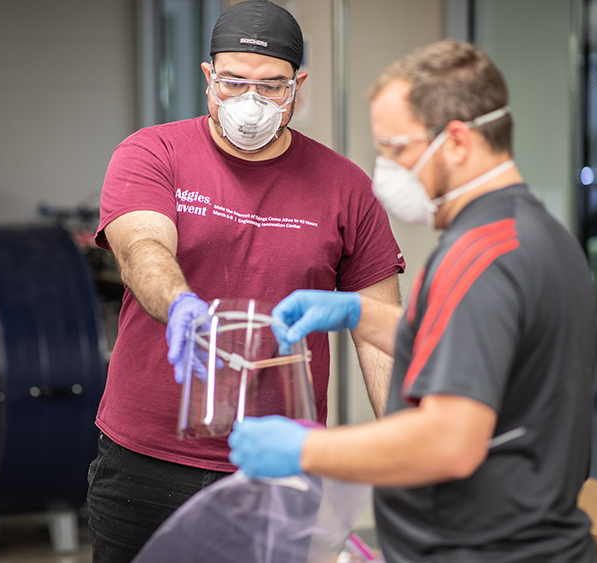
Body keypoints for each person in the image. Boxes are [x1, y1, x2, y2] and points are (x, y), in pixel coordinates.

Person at [228, 40, 597, 563]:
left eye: (396, 149)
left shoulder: (481, 257)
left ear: (454, 142)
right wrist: (361, 315)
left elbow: (451, 441)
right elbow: (482, 350)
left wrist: (306, 450)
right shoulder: (537, 234)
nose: (387, 170)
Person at [89, 1, 405, 561]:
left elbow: (380, 338)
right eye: (234, 82)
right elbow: (143, 248)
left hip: (281, 467)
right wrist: (178, 301)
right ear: (208, 78)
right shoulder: (153, 152)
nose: (252, 101)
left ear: (297, 87)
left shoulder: (345, 187)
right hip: (148, 459)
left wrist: (409, 458)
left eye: (272, 86)